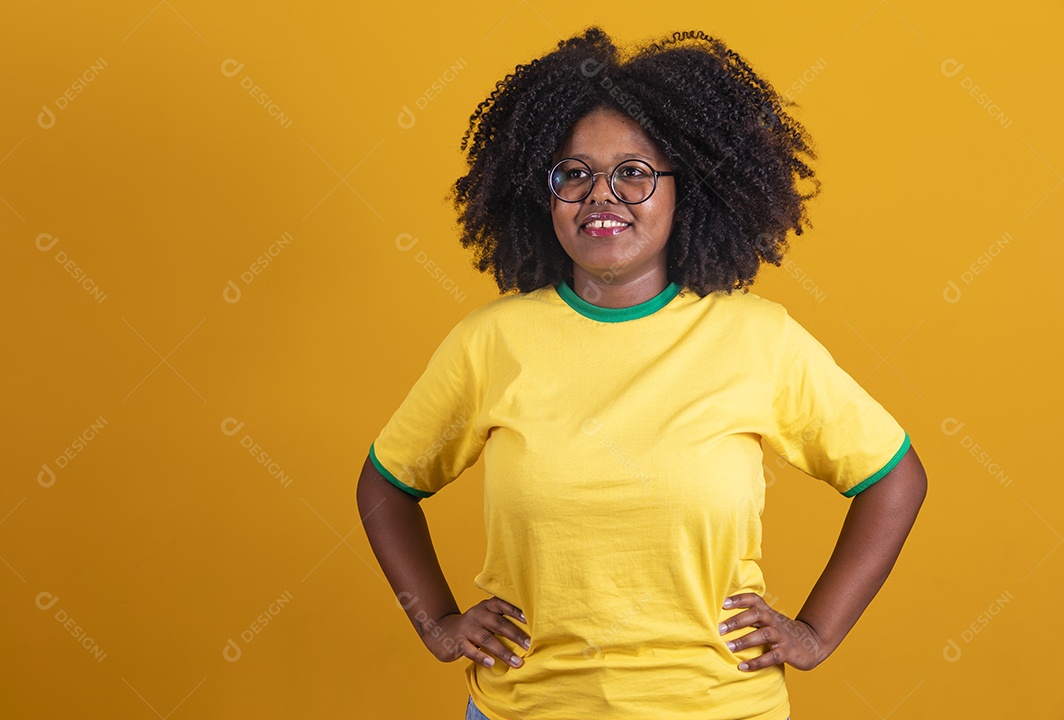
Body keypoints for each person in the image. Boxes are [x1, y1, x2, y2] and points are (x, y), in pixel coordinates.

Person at [356, 27, 927, 720]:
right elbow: (387, 485)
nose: (602, 194)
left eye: (634, 172)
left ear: (687, 191)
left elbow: (894, 479)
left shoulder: (757, 338)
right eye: (574, 173)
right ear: (543, 193)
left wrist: (815, 633)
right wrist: (438, 623)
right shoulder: (490, 342)